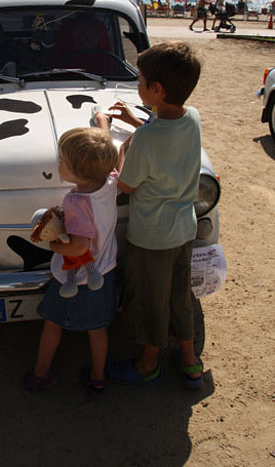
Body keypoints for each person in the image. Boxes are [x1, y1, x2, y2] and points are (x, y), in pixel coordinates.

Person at [106, 41, 204, 390]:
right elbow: (167, 133)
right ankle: (190, 360)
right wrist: (138, 121)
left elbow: (127, 185)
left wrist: (121, 146)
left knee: (151, 299)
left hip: (152, 238)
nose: (138, 85)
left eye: (141, 81)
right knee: (180, 294)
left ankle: (148, 364)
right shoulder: (193, 118)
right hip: (183, 230)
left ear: (156, 90)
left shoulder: (144, 140)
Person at [23, 127, 119, 393]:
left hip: (75, 278)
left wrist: (53, 244)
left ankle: (41, 373)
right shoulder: (110, 182)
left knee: (53, 324)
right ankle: (98, 376)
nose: (59, 164)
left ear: (78, 172)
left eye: (62, 162)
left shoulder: (76, 201)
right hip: (104, 271)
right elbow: (108, 162)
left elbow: (78, 247)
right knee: (97, 329)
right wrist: (103, 127)